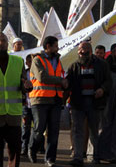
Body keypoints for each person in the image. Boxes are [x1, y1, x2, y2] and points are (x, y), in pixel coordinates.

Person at [0, 33, 32, 167]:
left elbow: (23, 84)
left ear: (8, 44)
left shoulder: (18, 61)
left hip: (14, 114)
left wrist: (27, 87)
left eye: (3, 41)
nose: (0, 43)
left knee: (15, 151)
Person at [66, 41, 111, 166]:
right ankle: (78, 157)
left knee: (94, 131)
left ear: (90, 51)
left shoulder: (101, 65)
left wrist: (102, 89)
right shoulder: (74, 66)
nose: (81, 51)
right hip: (78, 104)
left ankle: (94, 156)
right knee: (77, 131)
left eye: (84, 49)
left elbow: (108, 81)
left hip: (94, 103)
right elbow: (68, 83)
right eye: (80, 49)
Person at [27, 36, 68, 167]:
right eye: (55, 46)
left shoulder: (58, 60)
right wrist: (60, 81)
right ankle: (32, 148)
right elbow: (42, 77)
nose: (57, 48)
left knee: (54, 131)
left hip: (56, 99)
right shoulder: (37, 60)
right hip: (40, 99)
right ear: (48, 46)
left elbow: (61, 75)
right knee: (39, 128)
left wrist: (65, 83)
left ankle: (50, 159)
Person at [21, 54, 34, 156]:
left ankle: (37, 147)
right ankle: (24, 147)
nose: (32, 64)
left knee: (38, 127)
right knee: (26, 127)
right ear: (26, 63)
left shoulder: (38, 73)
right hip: (26, 104)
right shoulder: (24, 73)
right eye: (30, 62)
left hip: (36, 104)